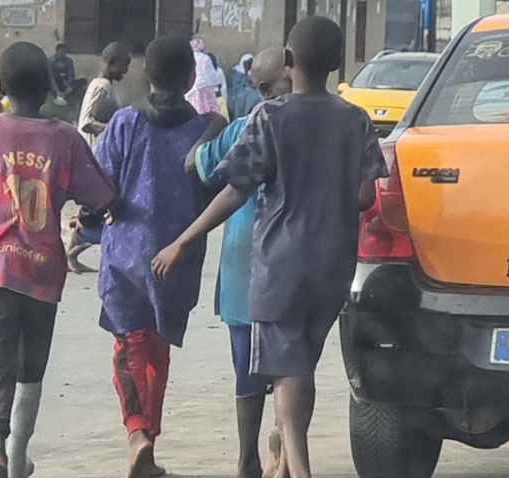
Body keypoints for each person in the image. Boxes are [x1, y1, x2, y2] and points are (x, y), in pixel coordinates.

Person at [151, 17, 389, 478]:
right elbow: (365, 196)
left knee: (286, 371)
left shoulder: (269, 117)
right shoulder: (355, 119)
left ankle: (298, 470)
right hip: (333, 266)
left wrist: (182, 240)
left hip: (281, 266)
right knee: (302, 366)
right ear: (338, 64)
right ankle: (285, 470)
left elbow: (234, 190)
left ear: (288, 61)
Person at [0, 41, 117, 478]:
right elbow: (102, 198)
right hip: (43, 270)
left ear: (0, 87)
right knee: (31, 368)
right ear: (48, 89)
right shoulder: (64, 136)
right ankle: (18, 461)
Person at [95, 35, 223, 478]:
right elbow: (216, 190)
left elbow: (100, 188)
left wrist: (96, 217)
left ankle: (137, 435)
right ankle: (149, 437)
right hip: (179, 260)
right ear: (191, 79)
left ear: (145, 74)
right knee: (158, 349)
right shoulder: (205, 129)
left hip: (125, 258)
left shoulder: (124, 123)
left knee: (126, 348)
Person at [185, 46, 292, 478]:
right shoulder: (324, 124)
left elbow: (198, 164)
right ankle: (280, 450)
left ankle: (250, 457)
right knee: (289, 367)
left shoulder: (243, 128)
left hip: (242, 271)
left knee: (247, 370)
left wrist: (211, 127)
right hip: (290, 268)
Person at [67, 96, 120, 273]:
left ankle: (71, 253)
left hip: (97, 206)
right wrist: (85, 217)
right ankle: (74, 247)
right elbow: (97, 187)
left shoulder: (100, 143)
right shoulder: (109, 144)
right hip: (101, 207)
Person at [76, 41, 131, 147]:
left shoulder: (106, 86)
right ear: (111, 63)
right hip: (92, 153)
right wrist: (116, 129)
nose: (126, 70)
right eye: (124, 65)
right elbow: (86, 123)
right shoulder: (100, 87)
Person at [184, 38, 220, 115]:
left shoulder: (188, 57)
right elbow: (210, 76)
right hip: (203, 88)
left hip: (191, 89)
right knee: (207, 112)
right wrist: (214, 86)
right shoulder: (204, 58)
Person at [228, 53, 261, 120]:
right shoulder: (237, 72)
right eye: (247, 63)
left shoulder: (252, 72)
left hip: (247, 93)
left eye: (250, 63)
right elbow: (235, 86)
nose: (248, 65)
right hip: (237, 94)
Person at [206, 52, 230, 121]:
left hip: (219, 98)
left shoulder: (219, 71)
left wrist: (219, 92)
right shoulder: (204, 72)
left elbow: (223, 85)